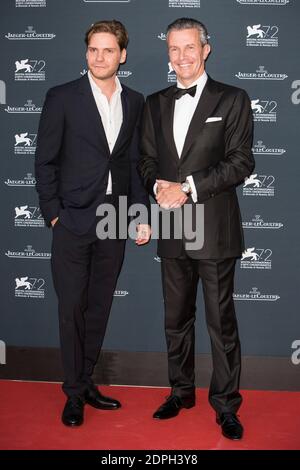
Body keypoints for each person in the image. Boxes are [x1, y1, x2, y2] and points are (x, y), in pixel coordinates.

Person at [138, 18, 255, 440]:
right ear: (167, 53)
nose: (182, 57)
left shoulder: (234, 98)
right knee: (176, 320)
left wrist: (187, 188)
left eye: (190, 48)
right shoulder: (154, 103)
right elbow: (147, 161)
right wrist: (157, 186)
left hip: (215, 227)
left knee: (221, 324)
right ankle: (180, 391)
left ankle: (226, 405)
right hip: (172, 227)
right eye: (174, 49)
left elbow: (242, 162)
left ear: (206, 49)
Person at [35, 20, 150, 427]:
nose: (99, 57)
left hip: (114, 219)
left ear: (122, 55)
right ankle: (72, 393)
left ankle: (86, 383)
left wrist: (138, 214)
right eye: (93, 50)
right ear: (86, 53)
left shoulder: (135, 101)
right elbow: (44, 161)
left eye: (107, 50)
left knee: (99, 306)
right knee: (72, 309)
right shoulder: (62, 97)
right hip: (72, 220)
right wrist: (54, 213)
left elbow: (134, 163)